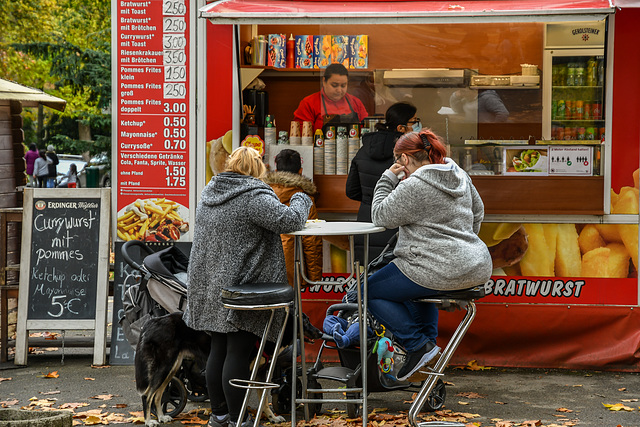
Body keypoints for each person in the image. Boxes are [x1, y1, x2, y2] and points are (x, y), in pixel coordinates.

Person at [182, 146, 312, 427]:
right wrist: (302, 198)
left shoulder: (211, 190)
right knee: (238, 352)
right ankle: (238, 420)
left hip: (209, 283)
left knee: (219, 348)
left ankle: (219, 417)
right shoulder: (253, 195)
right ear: (257, 170)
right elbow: (289, 221)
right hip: (242, 284)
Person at [367, 128, 492, 382]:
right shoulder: (459, 174)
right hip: (476, 265)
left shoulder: (415, 184)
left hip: (433, 266)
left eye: (396, 160)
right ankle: (425, 361)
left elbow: (379, 214)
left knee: (366, 292)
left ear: (403, 159)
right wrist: (461, 245)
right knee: (414, 292)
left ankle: (417, 346)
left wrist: (387, 178)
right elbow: (478, 212)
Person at [345, 101, 419, 262]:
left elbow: (351, 190)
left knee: (365, 282)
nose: (416, 127)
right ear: (401, 128)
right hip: (395, 232)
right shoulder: (407, 156)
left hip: (365, 228)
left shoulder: (363, 150)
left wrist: (370, 201)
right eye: (414, 122)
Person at [262, 149, 322, 286]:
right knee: (292, 303)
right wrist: (314, 277)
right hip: (293, 264)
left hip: (264, 265)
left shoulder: (263, 195)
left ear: (276, 171)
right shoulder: (305, 197)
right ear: (300, 171)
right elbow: (311, 239)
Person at [294, 63, 368, 133]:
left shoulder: (356, 103)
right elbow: (302, 136)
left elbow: (367, 129)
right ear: (324, 81)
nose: (339, 90)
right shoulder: (308, 103)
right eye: (334, 85)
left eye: (343, 86)